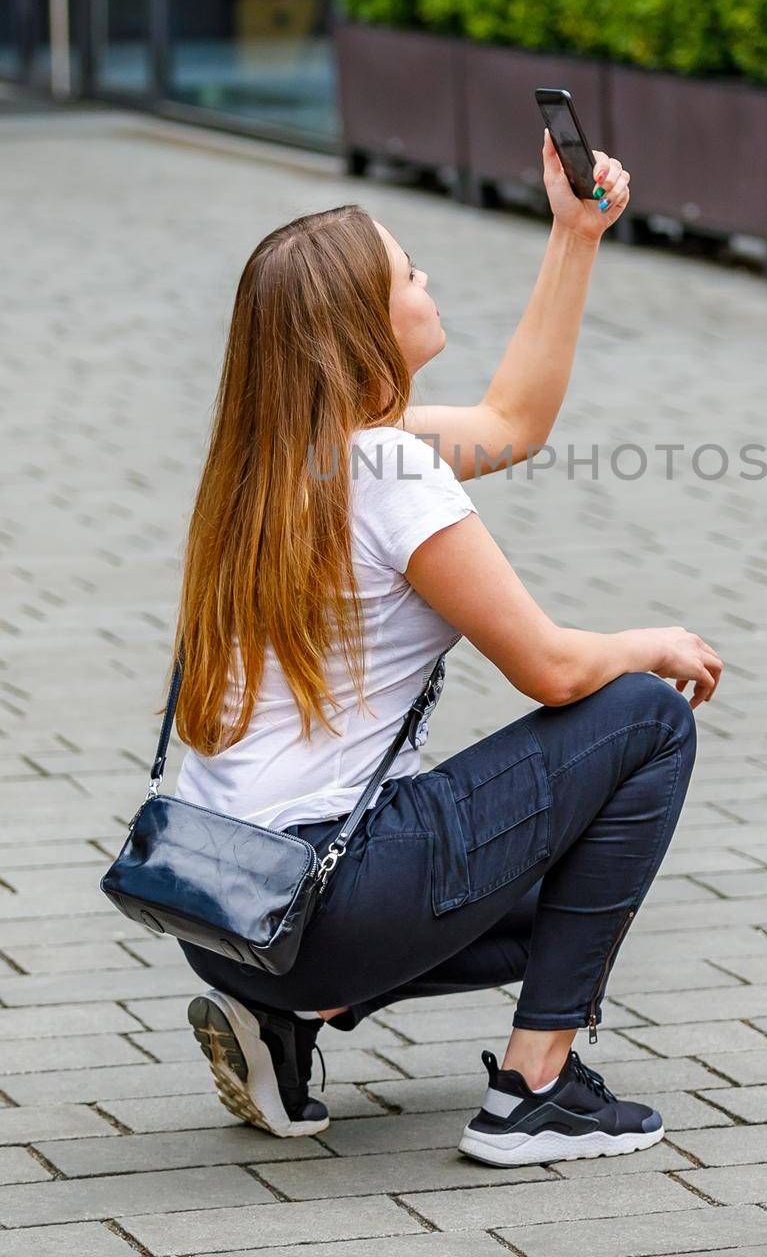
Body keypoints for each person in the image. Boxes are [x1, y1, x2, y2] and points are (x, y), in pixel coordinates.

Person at [170, 128, 723, 1166]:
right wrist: (647, 641)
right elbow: (553, 671)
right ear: (361, 327)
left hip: (229, 914)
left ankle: (291, 1019)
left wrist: (575, 234)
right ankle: (534, 1089)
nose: (428, 281)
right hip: (326, 901)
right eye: (409, 271)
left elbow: (513, 420)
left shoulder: (274, 457)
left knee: (564, 906)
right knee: (642, 718)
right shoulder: (385, 466)